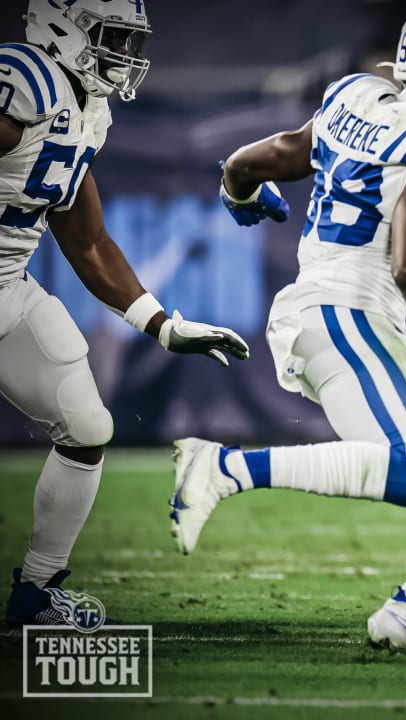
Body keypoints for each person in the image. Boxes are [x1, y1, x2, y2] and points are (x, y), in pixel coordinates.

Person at [168, 0, 406, 666]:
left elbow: (260, 158)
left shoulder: (357, 93)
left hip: (335, 314)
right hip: (346, 315)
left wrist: (240, 192)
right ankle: (223, 466)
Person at [1, 0, 250, 627]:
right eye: (112, 37)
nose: (126, 54)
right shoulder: (24, 80)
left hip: (7, 286)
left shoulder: (85, 110)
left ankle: (34, 593)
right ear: (63, 26)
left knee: (86, 426)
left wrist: (163, 325)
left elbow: (86, 241)